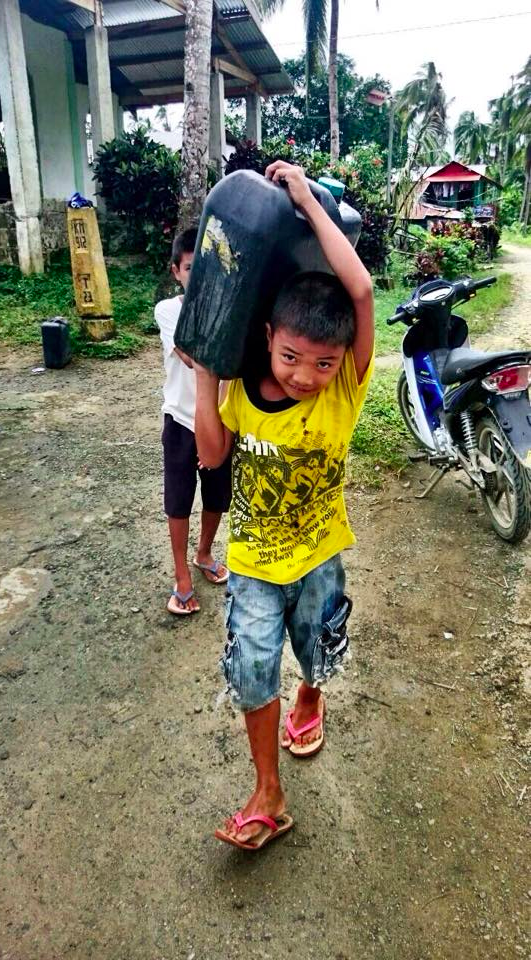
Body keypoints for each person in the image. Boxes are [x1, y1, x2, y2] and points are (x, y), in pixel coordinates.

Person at [194, 161, 375, 849]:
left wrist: (303, 196)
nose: (305, 376)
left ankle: (312, 695)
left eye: (323, 364)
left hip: (319, 556)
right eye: (292, 356)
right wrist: (209, 360)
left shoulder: (343, 392)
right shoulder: (241, 389)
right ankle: (268, 794)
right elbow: (212, 458)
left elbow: (357, 288)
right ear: (267, 335)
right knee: (250, 664)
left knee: (318, 651)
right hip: (254, 563)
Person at [155, 227, 232, 616]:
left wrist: (219, 434)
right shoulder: (169, 311)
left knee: (218, 497)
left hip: (220, 423)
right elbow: (192, 357)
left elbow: (235, 372)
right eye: (189, 268)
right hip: (182, 421)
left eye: (204, 268)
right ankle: (181, 574)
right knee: (179, 500)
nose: (196, 276)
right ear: (176, 272)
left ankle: (204, 553)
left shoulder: (231, 309)